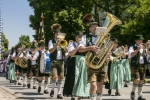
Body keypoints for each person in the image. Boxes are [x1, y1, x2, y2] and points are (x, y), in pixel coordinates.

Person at [78, 21, 108, 100]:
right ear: (90, 28)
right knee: (93, 84)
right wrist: (90, 48)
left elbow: (106, 49)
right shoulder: (85, 37)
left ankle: (98, 98)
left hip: (101, 63)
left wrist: (107, 54)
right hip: (91, 63)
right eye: (93, 26)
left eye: (97, 26)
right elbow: (80, 49)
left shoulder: (103, 37)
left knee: (100, 84)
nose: (96, 28)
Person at [63, 31, 90, 100]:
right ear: (75, 37)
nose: (80, 38)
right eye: (78, 36)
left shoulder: (85, 44)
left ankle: (80, 94)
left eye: (81, 36)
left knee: (82, 78)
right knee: (74, 77)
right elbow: (71, 53)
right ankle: (73, 95)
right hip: (74, 62)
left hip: (83, 62)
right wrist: (78, 46)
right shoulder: (72, 44)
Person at [48, 23, 68, 99]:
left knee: (60, 77)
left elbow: (67, 50)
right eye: (56, 33)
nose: (58, 35)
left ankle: (59, 93)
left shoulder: (63, 41)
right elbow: (50, 51)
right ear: (54, 34)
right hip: (54, 61)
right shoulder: (51, 41)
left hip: (61, 61)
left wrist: (64, 45)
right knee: (54, 76)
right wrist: (56, 44)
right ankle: (52, 89)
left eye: (59, 33)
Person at [129, 35, 146, 100]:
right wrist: (137, 49)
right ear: (136, 40)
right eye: (139, 40)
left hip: (142, 65)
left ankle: (140, 95)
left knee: (141, 80)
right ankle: (133, 92)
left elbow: (146, 56)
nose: (141, 41)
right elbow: (131, 54)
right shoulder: (132, 47)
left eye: (142, 40)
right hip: (135, 65)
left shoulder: (144, 48)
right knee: (137, 80)